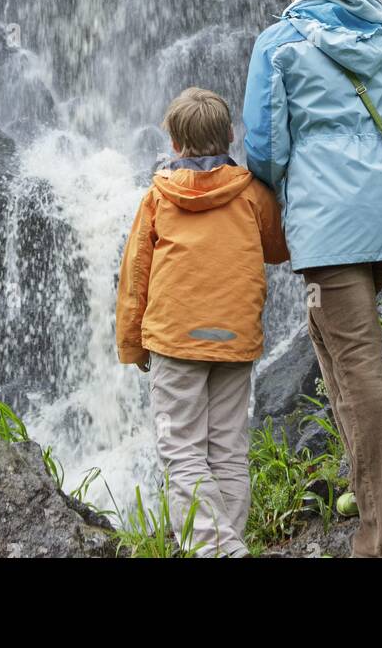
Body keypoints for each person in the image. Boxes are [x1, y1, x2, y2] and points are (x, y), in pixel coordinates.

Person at [242, 0, 382, 558]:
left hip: (330, 229)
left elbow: (264, 144)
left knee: (361, 377)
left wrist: (283, 192)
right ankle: (371, 512)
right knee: (339, 363)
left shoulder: (281, 40)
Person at [116, 85, 288, 557]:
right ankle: (229, 545)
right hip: (235, 340)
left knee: (182, 450)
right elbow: (278, 248)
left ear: (174, 144)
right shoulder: (251, 193)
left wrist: (133, 344)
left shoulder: (158, 196)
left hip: (175, 341)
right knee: (228, 449)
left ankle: (216, 551)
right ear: (231, 135)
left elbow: (135, 274)